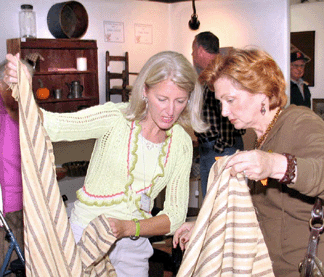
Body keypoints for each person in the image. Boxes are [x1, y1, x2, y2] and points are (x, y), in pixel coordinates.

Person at [5, 51, 207, 277]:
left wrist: (130, 228)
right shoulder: (115, 118)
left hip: (133, 242)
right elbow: (53, 125)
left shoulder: (181, 143)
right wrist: (24, 90)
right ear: (145, 91)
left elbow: (175, 216)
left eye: (180, 101)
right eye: (162, 99)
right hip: (86, 234)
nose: (170, 111)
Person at [173, 48, 324, 276]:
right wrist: (206, 226)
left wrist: (274, 164)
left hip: (299, 266)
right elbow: (254, 208)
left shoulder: (299, 122)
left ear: (261, 93)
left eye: (230, 100)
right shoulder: (251, 136)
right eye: (220, 102)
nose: (224, 111)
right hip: (264, 265)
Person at [192, 31, 245, 198]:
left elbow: (229, 113)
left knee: (217, 203)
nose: (192, 55)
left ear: (200, 50)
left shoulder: (218, 75)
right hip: (219, 148)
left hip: (219, 149)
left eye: (193, 50)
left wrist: (219, 147)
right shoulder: (218, 72)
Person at [0, 61, 24, 268]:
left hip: (27, 198)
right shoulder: (5, 111)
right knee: (15, 262)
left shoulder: (23, 110)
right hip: (11, 203)